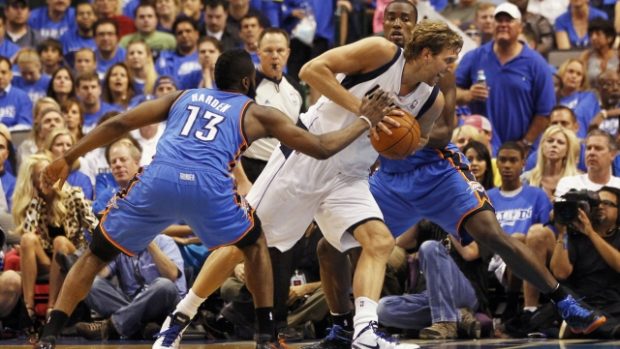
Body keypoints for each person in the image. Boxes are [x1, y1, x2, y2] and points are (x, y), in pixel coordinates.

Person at [34, 48, 393, 349]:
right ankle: (266, 335)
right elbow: (319, 147)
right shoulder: (255, 111)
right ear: (248, 82)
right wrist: (364, 119)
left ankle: (50, 334)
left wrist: (68, 157)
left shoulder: (182, 96)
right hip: (208, 187)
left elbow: (119, 124)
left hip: (158, 181)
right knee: (254, 244)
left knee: (96, 254)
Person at [302, 3, 606, 349]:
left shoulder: (439, 69)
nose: (398, 24)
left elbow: (445, 132)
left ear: (418, 32)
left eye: (406, 18)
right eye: (392, 17)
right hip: (390, 177)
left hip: (435, 170)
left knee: (491, 234)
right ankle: (344, 327)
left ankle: (564, 301)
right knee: (330, 246)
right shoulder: (372, 59)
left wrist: (402, 132)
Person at [158, 15, 456, 349]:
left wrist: (400, 139)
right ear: (427, 54)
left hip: (350, 175)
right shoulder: (382, 52)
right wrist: (363, 111)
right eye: (448, 58)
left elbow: (414, 142)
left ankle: (365, 331)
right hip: (306, 156)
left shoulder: (432, 100)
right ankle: (180, 317)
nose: (451, 66)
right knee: (241, 242)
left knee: (379, 240)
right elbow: (311, 70)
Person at [455, 2, 555, 154]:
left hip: (520, 152)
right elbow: (450, 93)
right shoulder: (474, 57)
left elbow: (545, 111)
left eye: (509, 20)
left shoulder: (536, 63)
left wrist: (525, 144)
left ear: (520, 27)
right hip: (480, 152)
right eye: (499, 20)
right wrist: (468, 95)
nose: (503, 24)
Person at [15, 153, 97, 322]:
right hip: (48, 260)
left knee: (60, 241)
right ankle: (28, 309)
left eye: (50, 172)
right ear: (33, 181)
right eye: (41, 175)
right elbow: (27, 233)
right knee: (28, 239)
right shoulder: (35, 203)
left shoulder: (74, 194)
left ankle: (52, 308)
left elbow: (94, 227)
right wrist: (37, 201)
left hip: (72, 257)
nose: (47, 178)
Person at [551, 186, 620, 339]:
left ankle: (583, 325)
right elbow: (560, 273)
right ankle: (605, 327)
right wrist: (562, 233)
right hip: (580, 301)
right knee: (560, 296)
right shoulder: (575, 236)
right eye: (597, 202)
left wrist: (591, 233)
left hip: (613, 303)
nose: (601, 206)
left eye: (608, 203)